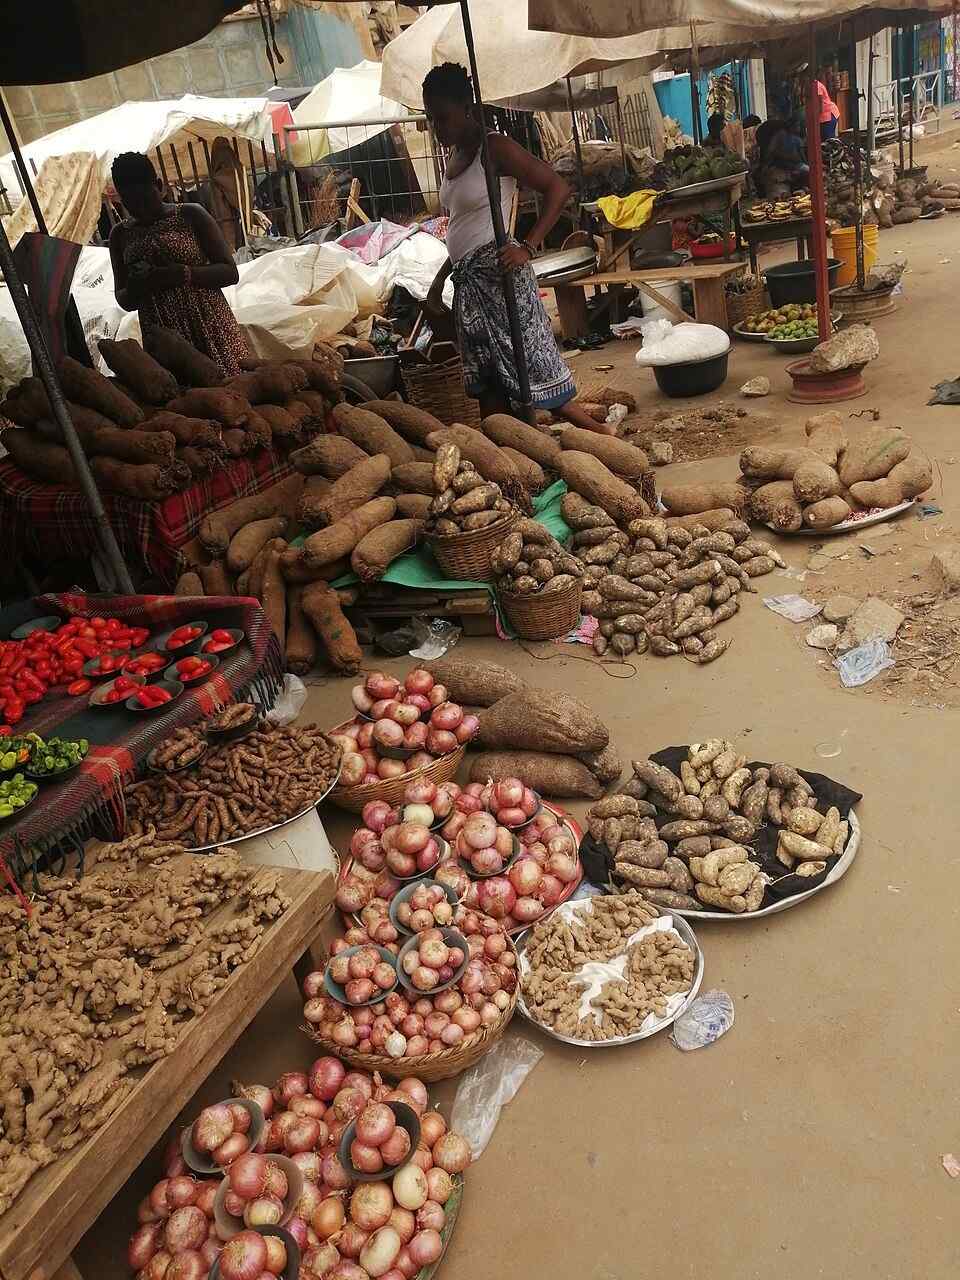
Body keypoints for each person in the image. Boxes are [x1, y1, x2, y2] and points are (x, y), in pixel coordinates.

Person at [422, 62, 605, 432]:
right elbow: (461, 228)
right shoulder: (453, 156)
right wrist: (441, 279)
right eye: (431, 119)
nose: (437, 128)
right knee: (489, 384)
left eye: (443, 117)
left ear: (466, 107)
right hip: (470, 286)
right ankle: (512, 463)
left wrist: (528, 245)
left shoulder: (495, 147)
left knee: (535, 376)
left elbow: (558, 188)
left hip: (501, 278)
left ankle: (604, 435)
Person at [109, 152, 248, 377]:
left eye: (145, 199)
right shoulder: (120, 235)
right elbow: (124, 298)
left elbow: (230, 273)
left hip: (209, 326)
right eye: (131, 203)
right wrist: (137, 286)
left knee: (234, 392)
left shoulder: (190, 215)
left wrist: (181, 274)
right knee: (181, 403)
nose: (140, 209)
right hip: (162, 336)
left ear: (159, 186)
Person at [816, 76, 841, 141]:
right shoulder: (811, 85)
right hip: (826, 115)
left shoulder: (817, 85)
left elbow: (820, 104)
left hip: (828, 115)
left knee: (828, 141)